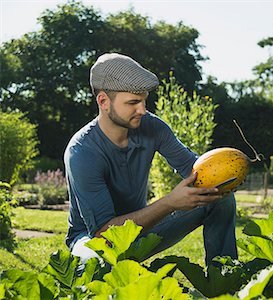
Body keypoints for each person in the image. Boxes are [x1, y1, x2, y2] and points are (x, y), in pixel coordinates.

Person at [64, 53, 237, 266]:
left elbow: (193, 170)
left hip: (144, 228)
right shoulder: (82, 151)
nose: (142, 110)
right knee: (94, 264)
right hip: (94, 239)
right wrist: (169, 203)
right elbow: (104, 235)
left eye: (144, 101)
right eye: (133, 102)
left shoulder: (152, 127)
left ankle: (225, 279)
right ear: (103, 101)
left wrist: (227, 174)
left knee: (219, 198)